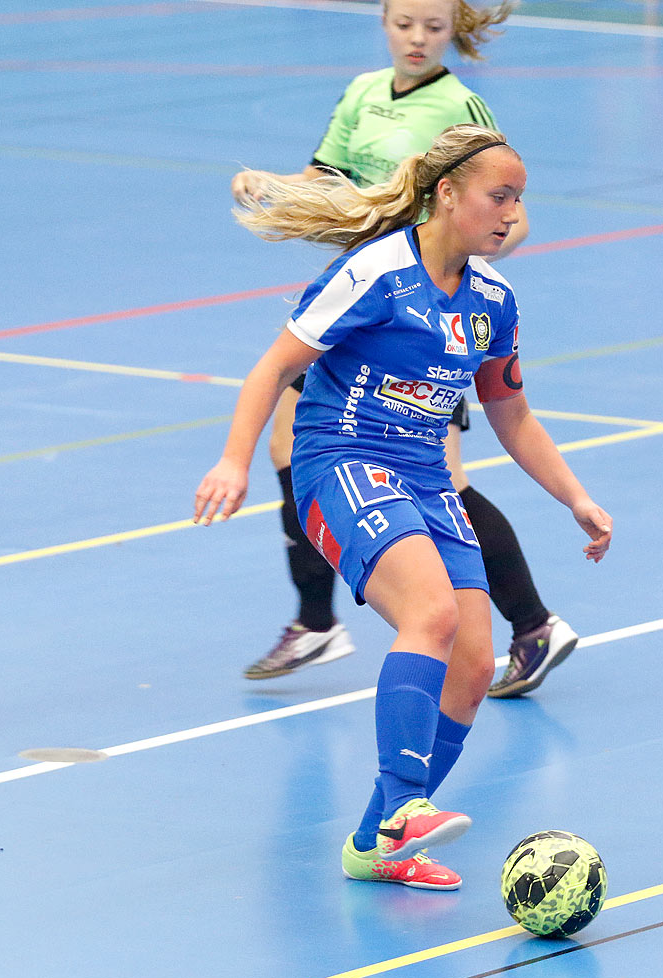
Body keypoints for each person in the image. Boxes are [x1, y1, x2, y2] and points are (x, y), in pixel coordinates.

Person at [195, 126, 613, 889]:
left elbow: (511, 414)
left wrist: (575, 497)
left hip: (424, 472)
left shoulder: (493, 299)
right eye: (499, 196)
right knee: (434, 614)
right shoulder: (377, 272)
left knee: (477, 661)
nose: (512, 213)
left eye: (519, 200)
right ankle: (405, 812)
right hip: (342, 458)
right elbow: (275, 365)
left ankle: (374, 843)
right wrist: (234, 458)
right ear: (447, 194)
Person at [230, 0, 579, 700]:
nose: (417, 38)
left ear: (454, 32)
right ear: (384, 23)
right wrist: (273, 189)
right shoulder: (362, 93)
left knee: (445, 484)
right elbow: (324, 182)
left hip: (418, 334)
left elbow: (510, 212)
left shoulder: (460, 107)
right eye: (405, 24)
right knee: (285, 448)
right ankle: (316, 617)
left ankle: (532, 623)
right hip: (360, 317)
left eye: (434, 27)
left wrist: (450, 275)